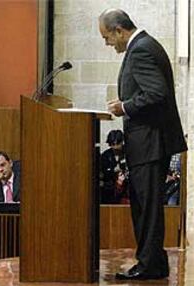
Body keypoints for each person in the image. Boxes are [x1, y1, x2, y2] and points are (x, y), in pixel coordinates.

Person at [99, 9, 188, 280]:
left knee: (147, 207)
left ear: (119, 31)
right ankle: (154, 262)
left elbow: (157, 93)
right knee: (145, 206)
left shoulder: (140, 50)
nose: (107, 43)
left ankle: (149, 265)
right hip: (149, 142)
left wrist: (124, 106)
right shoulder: (144, 45)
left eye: (107, 38)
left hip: (149, 143)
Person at [100, 130, 129, 204]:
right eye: (113, 144)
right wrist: (113, 170)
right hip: (110, 190)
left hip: (127, 189)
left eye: (118, 144)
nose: (115, 147)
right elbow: (103, 172)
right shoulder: (105, 155)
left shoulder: (128, 153)